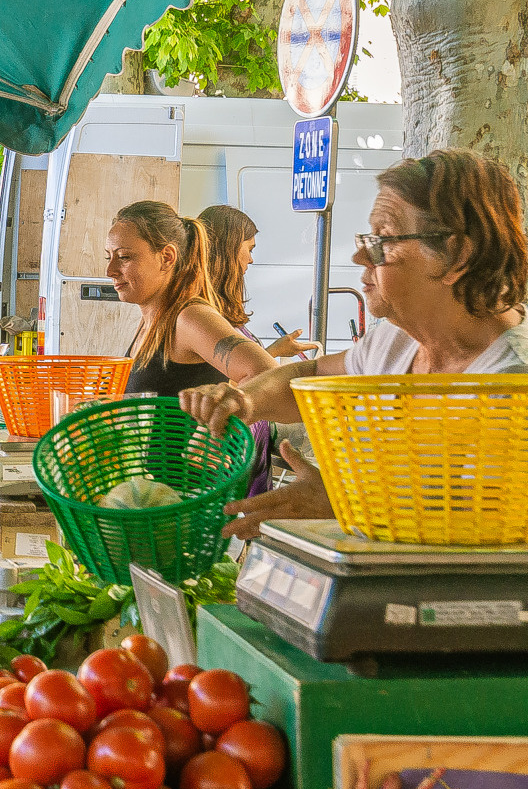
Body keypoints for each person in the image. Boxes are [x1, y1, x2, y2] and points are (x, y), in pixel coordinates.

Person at [182, 150, 528, 539]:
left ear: (456, 256)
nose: (359, 255)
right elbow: (310, 374)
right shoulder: (396, 342)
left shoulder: (511, 381)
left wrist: (341, 502)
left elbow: (483, 524)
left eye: (383, 240)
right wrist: (246, 401)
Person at [107, 201, 275, 397]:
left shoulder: (190, 318)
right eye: (108, 257)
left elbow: (269, 374)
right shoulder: (152, 318)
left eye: (124, 257)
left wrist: (221, 413)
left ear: (167, 257)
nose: (110, 271)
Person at [198, 204, 312, 358]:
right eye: (250, 249)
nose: (251, 260)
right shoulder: (203, 314)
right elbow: (231, 378)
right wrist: (275, 351)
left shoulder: (218, 307)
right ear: (229, 248)